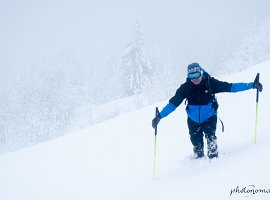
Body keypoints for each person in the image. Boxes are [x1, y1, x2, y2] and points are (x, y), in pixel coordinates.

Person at [152, 63, 263, 159]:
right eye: (191, 76)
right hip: (193, 120)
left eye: (197, 75)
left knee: (211, 141)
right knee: (197, 146)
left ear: (201, 73)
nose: (195, 79)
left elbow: (231, 87)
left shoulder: (210, 83)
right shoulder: (185, 88)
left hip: (209, 117)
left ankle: (213, 167)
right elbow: (172, 104)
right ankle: (198, 163)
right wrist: (159, 116)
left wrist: (252, 85)